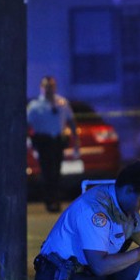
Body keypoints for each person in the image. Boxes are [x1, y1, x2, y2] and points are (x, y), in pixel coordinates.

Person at [26, 76, 79, 213]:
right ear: (42, 88)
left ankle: (56, 199)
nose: (50, 89)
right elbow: (26, 124)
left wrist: (76, 141)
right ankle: (50, 200)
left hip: (57, 141)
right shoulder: (35, 106)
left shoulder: (62, 103)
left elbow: (71, 121)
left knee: (56, 171)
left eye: (52, 86)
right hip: (43, 141)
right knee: (47, 171)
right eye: (47, 86)